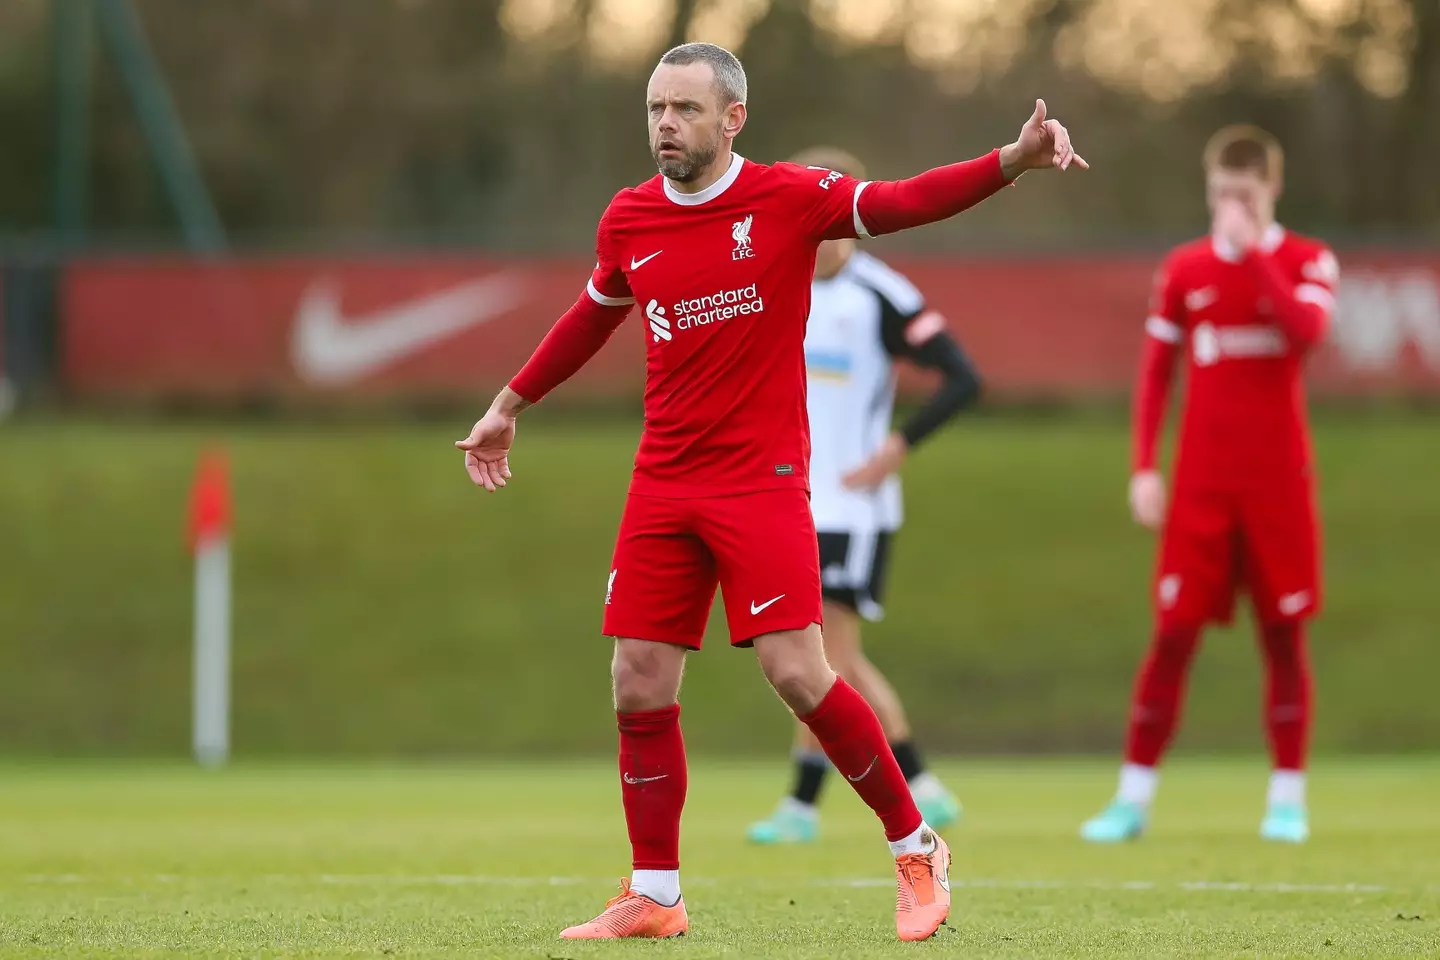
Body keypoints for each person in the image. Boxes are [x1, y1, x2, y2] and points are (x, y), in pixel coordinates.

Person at [456, 42, 1085, 941]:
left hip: (762, 481)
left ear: (731, 118)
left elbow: (901, 202)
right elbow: (592, 314)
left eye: (684, 109)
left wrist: (1011, 163)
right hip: (663, 482)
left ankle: (916, 846)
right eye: (655, 109)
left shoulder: (789, 198)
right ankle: (656, 893)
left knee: (797, 670)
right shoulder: (631, 217)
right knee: (636, 682)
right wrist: (509, 404)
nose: (665, 125)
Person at [1080, 125, 1337, 845]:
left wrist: (1255, 256)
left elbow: (1307, 331)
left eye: (1245, 194)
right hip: (1201, 487)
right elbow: (1157, 375)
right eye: (1222, 193)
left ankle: (1287, 800)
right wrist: (1143, 467)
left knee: (1284, 637)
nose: (1231, 206)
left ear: (1271, 190)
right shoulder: (1185, 269)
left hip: (1279, 485)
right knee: (1172, 634)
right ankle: (1132, 799)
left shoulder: (1306, 259)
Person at [746, 146, 978, 846]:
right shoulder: (769, 283)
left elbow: (963, 378)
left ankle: (804, 806)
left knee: (824, 659)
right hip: (790, 502)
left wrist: (896, 449)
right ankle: (922, 784)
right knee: (821, 659)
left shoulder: (883, 295)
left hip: (853, 510)